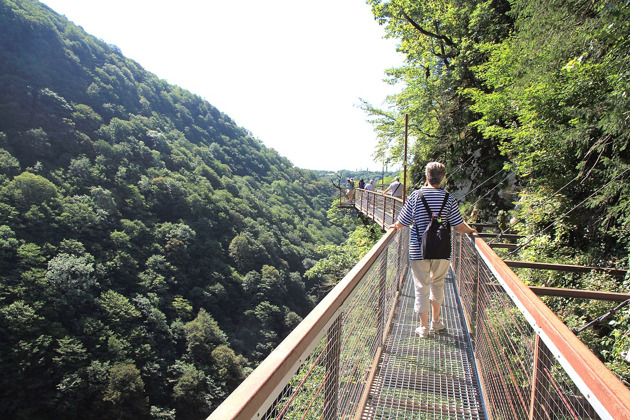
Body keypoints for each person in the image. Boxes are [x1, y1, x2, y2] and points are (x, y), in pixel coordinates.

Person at [390, 162, 477, 338]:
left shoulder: (416, 196)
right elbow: (458, 225)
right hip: (441, 250)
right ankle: (436, 322)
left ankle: (423, 328)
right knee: (438, 284)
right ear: (442, 177)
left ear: (426, 176)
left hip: (418, 250)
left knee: (421, 286)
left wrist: (395, 226)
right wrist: (472, 230)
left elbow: (404, 220)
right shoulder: (448, 198)